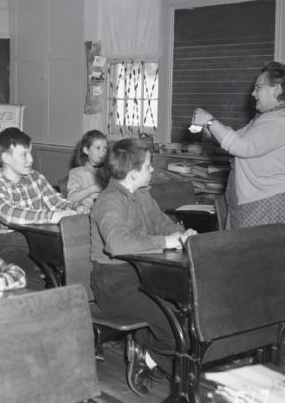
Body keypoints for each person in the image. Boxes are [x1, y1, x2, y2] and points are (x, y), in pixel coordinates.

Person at [89, 138, 197, 396]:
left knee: (191, 317)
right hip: (114, 282)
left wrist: (182, 234)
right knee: (175, 330)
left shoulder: (142, 195)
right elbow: (117, 243)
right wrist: (164, 242)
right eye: (149, 166)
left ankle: (163, 364)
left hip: (147, 274)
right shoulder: (109, 201)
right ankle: (144, 347)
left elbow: (163, 224)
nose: (153, 171)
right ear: (134, 173)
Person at [192, 61, 285, 300]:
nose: (252, 93)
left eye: (258, 87)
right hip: (256, 204)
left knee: (264, 277)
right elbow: (234, 139)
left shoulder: (281, 121)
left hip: (269, 206)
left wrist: (210, 121)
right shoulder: (267, 119)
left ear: (277, 89)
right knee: (251, 274)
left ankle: (272, 329)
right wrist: (211, 131)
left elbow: (242, 146)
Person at [0, 127, 87, 290]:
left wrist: (76, 207)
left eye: (30, 153)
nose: (30, 159)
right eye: (24, 154)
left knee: (78, 268)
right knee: (31, 282)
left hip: (39, 240)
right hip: (7, 244)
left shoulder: (35, 178)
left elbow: (57, 202)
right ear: (6, 158)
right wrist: (52, 216)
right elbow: (9, 214)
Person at [67, 130, 109, 207]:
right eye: (98, 148)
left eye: (105, 148)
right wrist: (93, 189)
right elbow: (70, 198)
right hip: (88, 212)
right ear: (86, 150)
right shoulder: (76, 173)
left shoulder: (109, 170)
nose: (103, 152)